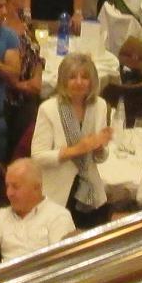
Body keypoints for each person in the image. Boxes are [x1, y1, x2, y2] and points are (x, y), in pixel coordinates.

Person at [30, 51, 115, 230]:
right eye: (72, 77)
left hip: (91, 190)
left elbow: (99, 157)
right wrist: (77, 149)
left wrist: (99, 148)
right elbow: (37, 156)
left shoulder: (99, 105)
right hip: (58, 193)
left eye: (84, 77)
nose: (79, 82)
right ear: (62, 81)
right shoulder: (48, 109)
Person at [0, 157, 74, 274]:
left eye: (15, 187)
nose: (9, 193)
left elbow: (62, 262)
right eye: (7, 186)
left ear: (36, 187)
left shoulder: (59, 216)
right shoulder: (2, 215)